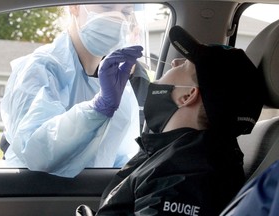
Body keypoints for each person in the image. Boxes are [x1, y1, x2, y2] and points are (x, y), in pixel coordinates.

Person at [75, 25, 264, 216]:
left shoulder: (189, 171)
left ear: (187, 96)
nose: (174, 62)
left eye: (184, 64)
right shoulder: (173, 154)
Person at [0, 4, 144, 178]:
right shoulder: (40, 69)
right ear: (74, 6)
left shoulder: (118, 83)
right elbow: (36, 152)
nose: (118, 18)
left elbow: (119, 158)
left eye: (126, 12)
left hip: (90, 199)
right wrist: (98, 108)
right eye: (106, 7)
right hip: (37, 197)